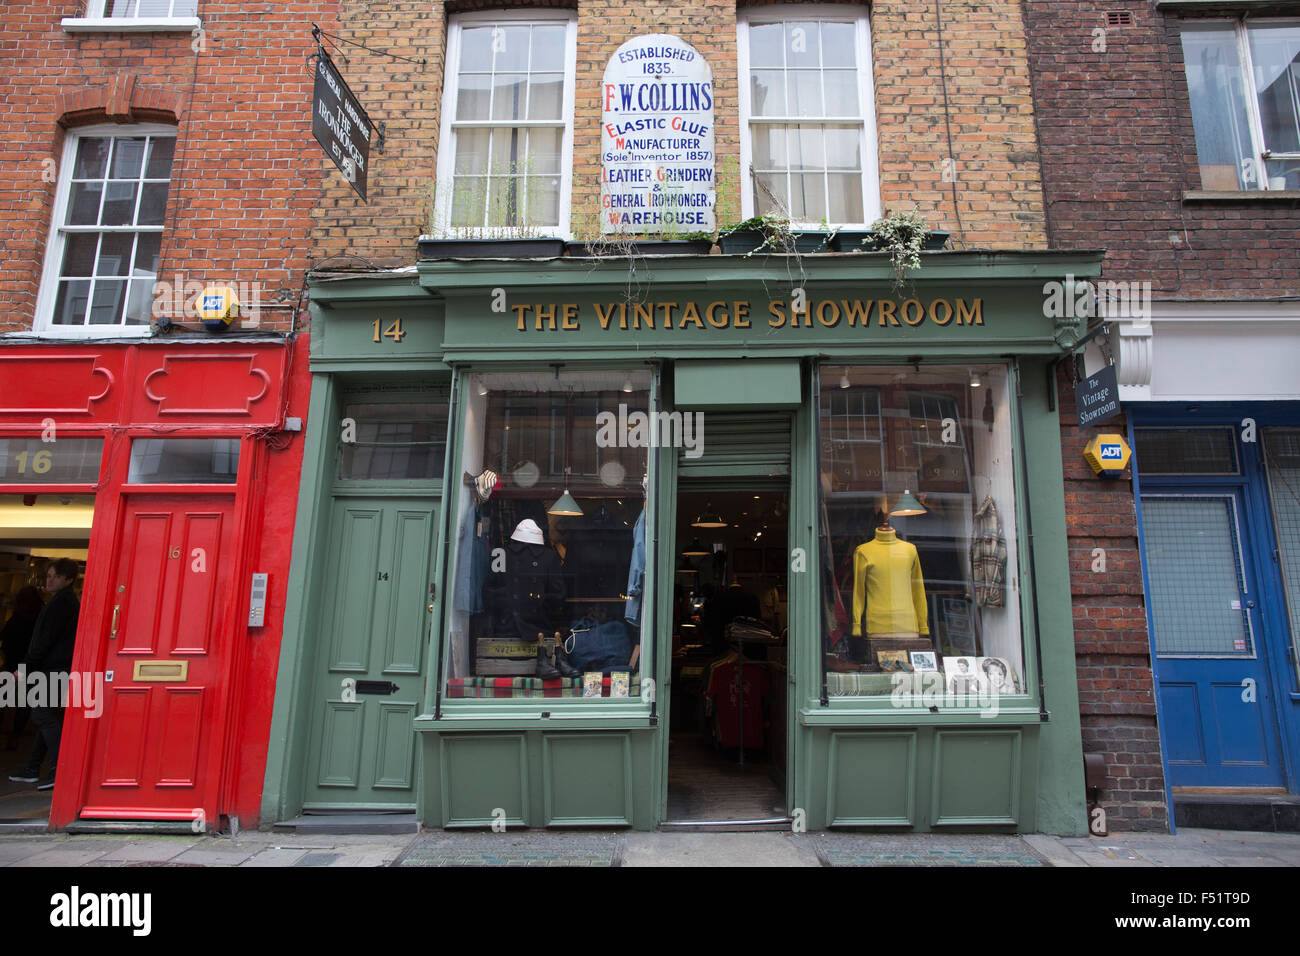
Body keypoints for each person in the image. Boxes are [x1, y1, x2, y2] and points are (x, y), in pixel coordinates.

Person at [9, 559, 81, 791]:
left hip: (52, 669)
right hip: (56, 668)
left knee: (42, 717)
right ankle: (34, 768)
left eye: (55, 576)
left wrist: (24, 668)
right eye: (48, 575)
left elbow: (44, 640)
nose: (49, 580)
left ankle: (60, 768)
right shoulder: (64, 601)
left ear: (68, 579)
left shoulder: (61, 604)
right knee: (45, 717)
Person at [0, 586, 44, 748]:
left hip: (12, 663)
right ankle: (15, 737)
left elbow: (5, 638)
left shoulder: (16, 618)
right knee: (24, 704)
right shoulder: (39, 619)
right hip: (31, 665)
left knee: (2, 699)